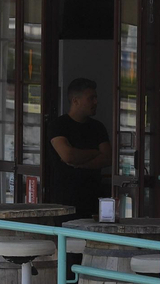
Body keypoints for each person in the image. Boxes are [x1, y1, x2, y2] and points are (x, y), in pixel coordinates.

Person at [44, 77, 112, 220]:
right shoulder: (58, 125)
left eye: (96, 98)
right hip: (65, 201)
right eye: (91, 98)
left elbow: (107, 158)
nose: (96, 102)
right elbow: (68, 155)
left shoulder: (98, 127)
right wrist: (95, 153)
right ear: (75, 100)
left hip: (94, 199)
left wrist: (78, 162)